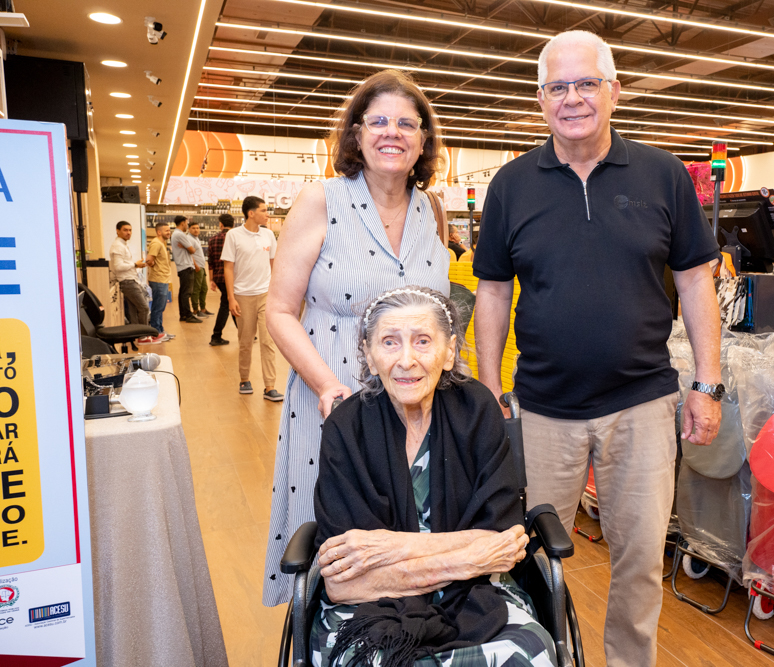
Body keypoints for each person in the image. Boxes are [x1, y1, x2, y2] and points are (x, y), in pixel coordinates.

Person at [472, 31, 723, 667]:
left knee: (639, 563)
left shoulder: (663, 175)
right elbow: (494, 293)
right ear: (539, 99)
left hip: (641, 403)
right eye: (558, 87)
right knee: (528, 559)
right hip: (544, 407)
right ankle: (540, 657)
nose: (573, 98)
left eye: (587, 84)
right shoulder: (510, 186)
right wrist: (487, 387)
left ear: (615, 90)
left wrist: (708, 382)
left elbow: (697, 280)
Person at [262, 69, 449, 606]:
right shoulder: (320, 200)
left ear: (422, 140)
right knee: (334, 542)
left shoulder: (430, 209)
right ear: (357, 133)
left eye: (407, 124)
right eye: (379, 121)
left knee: (406, 537)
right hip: (333, 394)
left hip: (414, 399)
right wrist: (325, 386)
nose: (392, 133)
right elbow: (279, 310)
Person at [310, 286, 556, 666]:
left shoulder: (477, 410)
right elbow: (344, 584)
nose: (406, 360)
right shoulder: (345, 429)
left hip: (477, 596)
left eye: (422, 341)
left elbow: (502, 542)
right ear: (369, 356)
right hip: (370, 609)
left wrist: (387, 548)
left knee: (531, 653)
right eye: (389, 342)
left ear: (450, 351)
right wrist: (469, 558)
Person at [221, 196, 282, 400]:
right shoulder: (234, 235)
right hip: (243, 295)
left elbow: (273, 264)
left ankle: (269, 386)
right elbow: (228, 268)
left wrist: (276, 292)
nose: (267, 214)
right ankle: (244, 379)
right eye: (264, 211)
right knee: (246, 341)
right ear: (251, 213)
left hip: (266, 294)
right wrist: (231, 298)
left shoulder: (268, 235)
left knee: (268, 341)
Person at [108, 221, 158, 343]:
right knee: (144, 308)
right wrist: (135, 264)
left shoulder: (122, 244)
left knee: (134, 310)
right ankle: (143, 335)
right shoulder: (118, 246)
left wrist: (135, 265)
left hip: (130, 280)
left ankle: (138, 335)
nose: (128, 233)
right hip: (127, 282)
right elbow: (118, 266)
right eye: (125, 230)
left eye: (130, 230)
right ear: (117, 231)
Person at [207, 213, 235, 346]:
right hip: (233, 277)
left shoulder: (213, 239)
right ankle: (216, 335)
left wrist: (211, 280)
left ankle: (245, 332)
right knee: (228, 304)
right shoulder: (235, 237)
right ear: (233, 225)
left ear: (221, 225)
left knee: (231, 303)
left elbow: (210, 262)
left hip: (218, 276)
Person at [146, 221, 175, 340]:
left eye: (169, 230)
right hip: (158, 279)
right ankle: (156, 332)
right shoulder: (156, 243)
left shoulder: (162, 243)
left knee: (161, 307)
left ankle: (160, 330)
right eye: (166, 230)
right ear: (159, 232)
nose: (169, 232)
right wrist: (155, 267)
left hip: (163, 279)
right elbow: (149, 260)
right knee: (158, 307)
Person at [171, 215, 201, 323]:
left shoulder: (176, 234)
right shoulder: (180, 234)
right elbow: (192, 250)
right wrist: (187, 248)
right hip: (186, 266)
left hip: (182, 266)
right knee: (186, 293)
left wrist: (186, 247)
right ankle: (188, 315)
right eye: (187, 223)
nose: (187, 225)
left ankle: (183, 315)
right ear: (183, 223)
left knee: (183, 292)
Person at [187, 222, 212, 318]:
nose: (196, 230)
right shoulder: (189, 239)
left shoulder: (196, 238)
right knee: (196, 289)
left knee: (204, 288)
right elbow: (190, 254)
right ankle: (195, 310)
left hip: (201, 266)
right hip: (197, 267)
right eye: (193, 228)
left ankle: (203, 309)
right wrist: (195, 265)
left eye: (197, 228)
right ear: (189, 229)